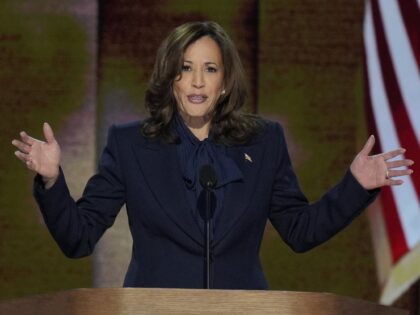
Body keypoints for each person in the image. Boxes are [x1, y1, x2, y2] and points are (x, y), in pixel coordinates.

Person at [12, 21, 414, 289]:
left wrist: (356, 185)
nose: (198, 81)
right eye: (185, 68)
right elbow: (78, 238)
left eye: (210, 68)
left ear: (225, 81)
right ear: (171, 78)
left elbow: (300, 230)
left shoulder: (264, 141)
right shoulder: (130, 144)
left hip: (243, 310)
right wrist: (51, 180)